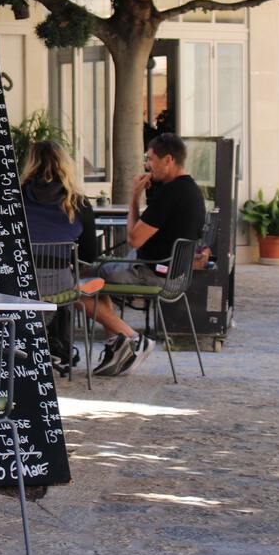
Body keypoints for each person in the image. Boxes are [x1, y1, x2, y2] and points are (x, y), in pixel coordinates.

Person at [93, 133, 207, 376]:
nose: (147, 165)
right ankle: (120, 348)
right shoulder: (192, 190)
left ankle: (129, 340)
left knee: (87, 283)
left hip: (153, 273)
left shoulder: (171, 193)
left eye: (150, 158)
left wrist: (134, 195)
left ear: (168, 160)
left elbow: (134, 239)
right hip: (173, 273)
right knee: (96, 273)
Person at [19, 140, 135, 376]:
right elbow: (89, 255)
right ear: (65, 165)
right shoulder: (78, 203)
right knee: (89, 281)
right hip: (61, 286)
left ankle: (118, 341)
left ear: (30, 164)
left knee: (83, 283)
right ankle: (121, 339)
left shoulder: (15, 199)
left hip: (21, 286)